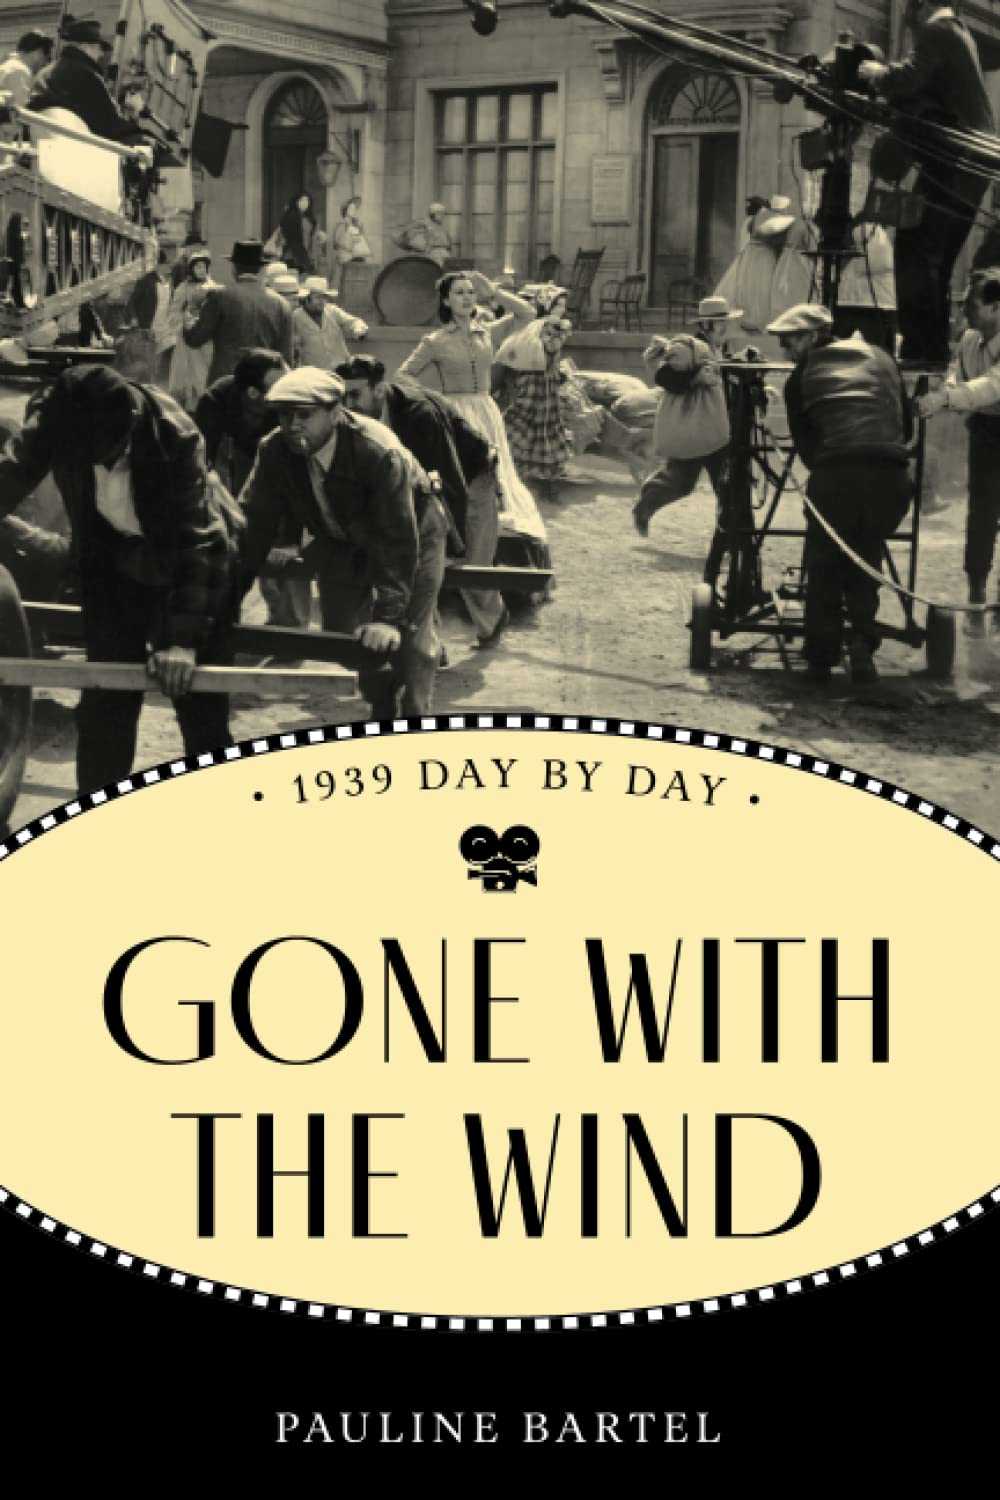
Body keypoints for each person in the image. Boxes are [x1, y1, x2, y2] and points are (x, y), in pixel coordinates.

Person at [0, 364, 241, 793]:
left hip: (192, 567)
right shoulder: (59, 416)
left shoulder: (174, 436)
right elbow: (8, 476)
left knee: (199, 707)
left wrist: (181, 641)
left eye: (102, 453)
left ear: (127, 426)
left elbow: (199, 542)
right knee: (105, 704)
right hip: (113, 564)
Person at [238, 367, 448, 715]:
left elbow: (397, 539)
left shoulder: (378, 451)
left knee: (411, 639)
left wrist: (387, 617)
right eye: (284, 415)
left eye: (304, 414)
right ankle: (382, 693)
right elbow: (255, 519)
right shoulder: (274, 449)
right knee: (343, 634)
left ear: (335, 413)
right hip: (341, 536)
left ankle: (411, 716)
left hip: (414, 534)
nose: (292, 425)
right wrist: (230, 592)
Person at [767, 302, 914, 684]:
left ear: (816, 335)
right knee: (866, 553)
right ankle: (862, 644)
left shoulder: (800, 377)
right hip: (893, 480)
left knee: (825, 560)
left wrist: (836, 465)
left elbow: (808, 450)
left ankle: (821, 656)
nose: (785, 349)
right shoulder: (881, 358)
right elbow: (907, 424)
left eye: (791, 340)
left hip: (838, 476)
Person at [336, 352, 508, 647]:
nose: (348, 405)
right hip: (417, 482)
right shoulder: (356, 417)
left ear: (379, 389)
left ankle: (493, 621)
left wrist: (452, 542)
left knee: (469, 564)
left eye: (355, 395)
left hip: (470, 477)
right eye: (343, 397)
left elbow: (449, 480)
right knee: (422, 567)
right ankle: (429, 645)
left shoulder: (420, 415)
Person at [859, 2, 994, 365]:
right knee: (936, 256)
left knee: (916, 248)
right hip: (971, 163)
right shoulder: (959, 33)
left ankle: (921, 351)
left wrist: (875, 72)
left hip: (957, 160)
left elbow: (908, 78)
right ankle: (931, 349)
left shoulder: (938, 31)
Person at [396, 269, 550, 573]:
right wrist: (434, 399)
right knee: (464, 476)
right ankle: (462, 545)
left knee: (496, 473)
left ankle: (496, 546)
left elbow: (529, 313)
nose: (467, 298)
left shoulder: (488, 331)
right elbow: (403, 375)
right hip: (455, 412)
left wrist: (493, 290)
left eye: (470, 292)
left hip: (486, 410)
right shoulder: (435, 340)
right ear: (446, 301)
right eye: (459, 293)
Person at [195, 348, 306, 631]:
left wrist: (290, 540)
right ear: (254, 394)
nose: (289, 391)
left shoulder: (290, 406)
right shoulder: (216, 400)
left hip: (284, 456)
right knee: (241, 538)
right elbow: (201, 465)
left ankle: (288, 622)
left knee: (280, 545)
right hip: (242, 454)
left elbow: (297, 479)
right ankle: (225, 617)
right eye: (279, 385)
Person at [917, 269, 1000, 636]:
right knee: (981, 515)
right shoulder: (969, 339)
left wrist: (945, 399)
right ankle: (977, 597)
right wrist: (944, 393)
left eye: (971, 304)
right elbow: (958, 375)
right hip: (985, 432)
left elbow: (990, 387)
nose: (964, 310)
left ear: (996, 307)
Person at [631, 331, 731, 540]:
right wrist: (696, 378)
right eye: (720, 322)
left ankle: (730, 538)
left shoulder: (720, 348)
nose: (725, 327)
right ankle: (646, 504)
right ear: (707, 324)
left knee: (727, 488)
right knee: (680, 483)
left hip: (715, 428)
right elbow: (664, 377)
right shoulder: (687, 348)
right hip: (690, 429)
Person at [183, 239, 293, 385]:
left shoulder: (220, 296)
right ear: (260, 269)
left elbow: (194, 338)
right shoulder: (281, 304)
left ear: (234, 268)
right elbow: (286, 358)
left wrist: (192, 308)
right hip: (263, 384)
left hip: (226, 383)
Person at [495, 315, 575, 495]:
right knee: (520, 428)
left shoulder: (551, 352)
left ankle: (543, 483)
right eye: (550, 334)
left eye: (558, 335)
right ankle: (516, 478)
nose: (554, 339)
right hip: (532, 395)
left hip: (547, 400)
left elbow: (553, 369)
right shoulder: (532, 350)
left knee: (545, 434)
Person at [28, 17, 143, 142]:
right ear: (85, 47)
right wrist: (135, 117)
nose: (101, 54)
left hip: (41, 141)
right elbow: (110, 126)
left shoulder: (45, 72)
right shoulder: (87, 75)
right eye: (99, 48)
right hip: (73, 145)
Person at [166, 246, 218, 411]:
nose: (201, 270)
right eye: (198, 267)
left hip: (207, 337)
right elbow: (173, 312)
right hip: (187, 339)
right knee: (186, 373)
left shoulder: (214, 287)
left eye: (204, 267)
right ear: (191, 269)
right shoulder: (183, 288)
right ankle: (188, 406)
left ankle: (204, 404)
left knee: (205, 371)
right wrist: (186, 318)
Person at [837, 222, 898, 352]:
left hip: (858, 302)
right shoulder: (883, 241)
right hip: (876, 303)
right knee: (881, 349)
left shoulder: (866, 246)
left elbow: (872, 265)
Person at [123, 249, 176, 385]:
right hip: (148, 327)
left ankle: (158, 384)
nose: (169, 267)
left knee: (161, 362)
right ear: (158, 265)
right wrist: (134, 319)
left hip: (165, 327)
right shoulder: (145, 281)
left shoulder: (170, 281)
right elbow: (132, 302)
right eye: (166, 264)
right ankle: (148, 386)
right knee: (147, 363)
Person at [293, 276, 368, 368]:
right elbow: (294, 346)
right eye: (318, 298)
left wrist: (358, 329)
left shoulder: (332, 311)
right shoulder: (296, 317)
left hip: (341, 367)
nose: (322, 301)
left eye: (324, 297)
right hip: (314, 370)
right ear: (306, 299)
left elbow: (354, 321)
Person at [0, 29, 53, 115]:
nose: (45, 64)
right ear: (38, 53)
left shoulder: (8, 66)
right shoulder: (20, 71)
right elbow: (20, 114)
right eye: (47, 58)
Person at [331, 196, 372, 283]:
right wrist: (348, 243)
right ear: (345, 210)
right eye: (350, 208)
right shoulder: (340, 224)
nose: (353, 211)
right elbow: (336, 243)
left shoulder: (358, 224)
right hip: (344, 259)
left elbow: (362, 241)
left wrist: (359, 235)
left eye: (354, 209)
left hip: (356, 258)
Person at [278, 192, 320, 274]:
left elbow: (310, 236)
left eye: (307, 201)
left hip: (307, 252)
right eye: (302, 200)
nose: (305, 203)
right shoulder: (290, 216)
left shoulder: (309, 217)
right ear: (296, 202)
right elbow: (289, 238)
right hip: (294, 254)